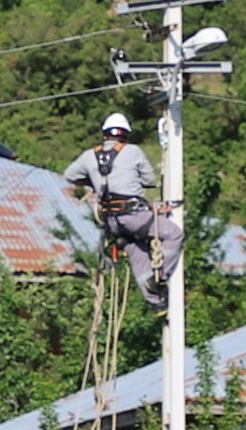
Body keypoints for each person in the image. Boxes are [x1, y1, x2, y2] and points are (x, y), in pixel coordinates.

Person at [64, 112, 183, 311]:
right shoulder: (133, 151)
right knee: (174, 234)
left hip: (112, 221)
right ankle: (159, 278)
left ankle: (157, 302)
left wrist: (93, 181)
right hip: (134, 215)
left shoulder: (89, 155)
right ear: (126, 136)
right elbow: (149, 181)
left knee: (135, 249)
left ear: (105, 135)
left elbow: (69, 175)